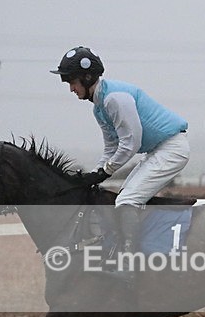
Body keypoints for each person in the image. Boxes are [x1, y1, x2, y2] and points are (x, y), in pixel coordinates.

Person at [51, 46, 189, 284]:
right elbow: (111, 147)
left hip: (171, 148)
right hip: (159, 149)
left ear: (86, 77)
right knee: (124, 197)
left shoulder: (114, 99)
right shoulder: (99, 107)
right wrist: (96, 173)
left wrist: (105, 172)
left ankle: (130, 265)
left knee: (127, 201)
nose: (72, 89)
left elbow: (130, 143)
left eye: (72, 83)